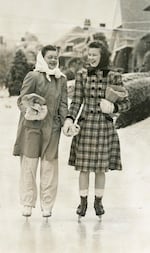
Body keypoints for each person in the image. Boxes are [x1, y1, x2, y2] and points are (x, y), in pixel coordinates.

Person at [63, 41, 130, 219]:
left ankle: (98, 202)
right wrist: (70, 119)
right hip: (86, 126)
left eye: (94, 54)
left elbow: (126, 103)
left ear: (103, 56)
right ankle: (83, 202)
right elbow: (76, 101)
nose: (90, 57)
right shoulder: (82, 75)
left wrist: (113, 108)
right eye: (89, 54)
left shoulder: (114, 76)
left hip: (104, 127)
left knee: (101, 169)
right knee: (83, 168)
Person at [13, 45, 68, 218]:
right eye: (50, 57)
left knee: (49, 167)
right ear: (42, 58)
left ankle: (47, 205)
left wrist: (66, 120)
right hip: (32, 128)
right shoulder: (33, 76)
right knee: (29, 166)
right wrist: (30, 110)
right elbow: (21, 100)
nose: (53, 60)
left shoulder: (62, 79)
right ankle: (28, 203)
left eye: (55, 57)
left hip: (52, 128)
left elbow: (63, 104)